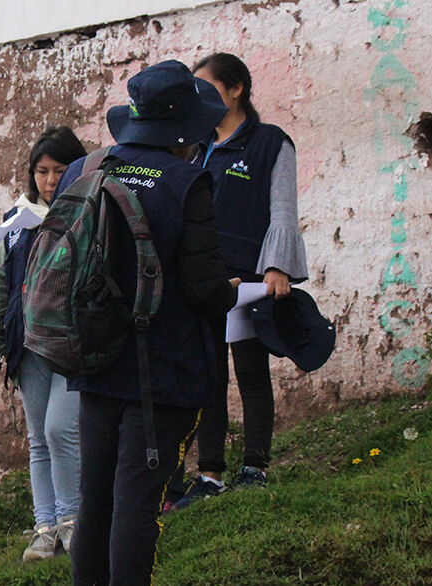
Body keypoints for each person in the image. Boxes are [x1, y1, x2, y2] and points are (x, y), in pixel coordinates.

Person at [59, 61, 240, 585]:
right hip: (163, 374)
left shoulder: (83, 170)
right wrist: (232, 295)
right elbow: (204, 289)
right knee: (137, 507)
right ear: (185, 128)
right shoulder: (187, 182)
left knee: (97, 502)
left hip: (93, 363)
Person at [171, 52, 309, 510]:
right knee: (208, 375)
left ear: (237, 89)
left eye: (210, 88)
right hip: (206, 279)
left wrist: (276, 267)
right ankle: (209, 473)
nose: (202, 99)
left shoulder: (271, 143)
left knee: (251, 371)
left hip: (251, 277)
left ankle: (255, 467)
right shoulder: (193, 147)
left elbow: (283, 209)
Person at [0, 125, 87, 562]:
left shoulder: (87, 212)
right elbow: (1, 284)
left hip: (73, 341)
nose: (49, 181)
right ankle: (45, 528)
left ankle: (74, 523)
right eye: (41, 171)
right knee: (38, 440)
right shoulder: (16, 219)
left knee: (60, 429)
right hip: (26, 345)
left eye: (59, 170)